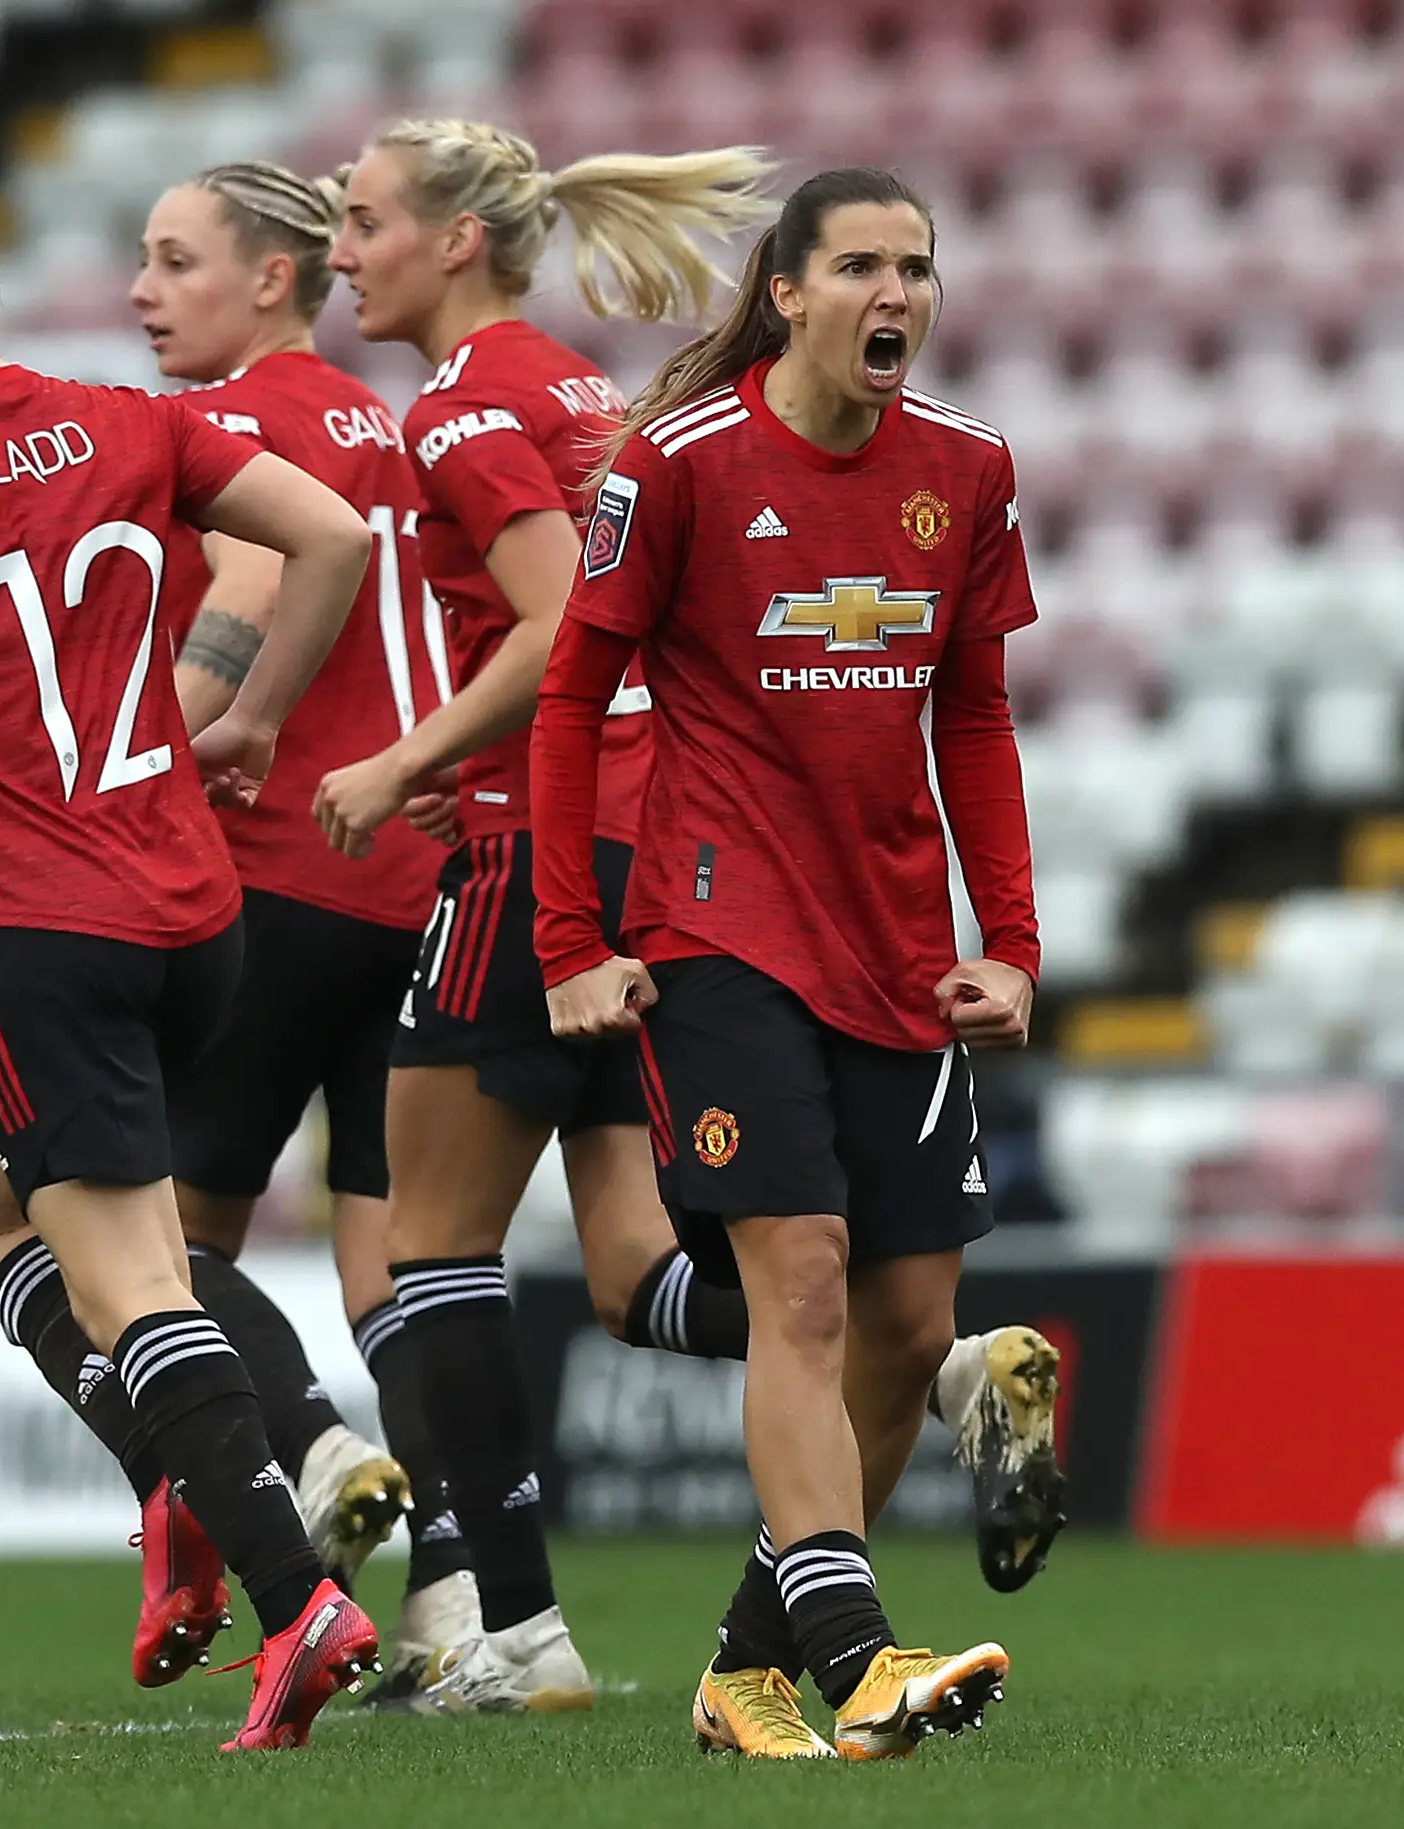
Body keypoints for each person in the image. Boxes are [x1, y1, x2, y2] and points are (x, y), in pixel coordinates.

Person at [0, 100, 376, 1751]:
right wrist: (253, 720)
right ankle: (174, 1476)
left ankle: (293, 1597)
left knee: (126, 1281)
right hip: (194, 913)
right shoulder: (122, 417)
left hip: (39, 922)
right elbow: (332, 534)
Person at [533, 167, 1045, 1760]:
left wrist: (1013, 939)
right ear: (791, 293)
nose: (898, 293)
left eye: (920, 266)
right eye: (864, 267)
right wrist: (576, 940)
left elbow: (972, 712)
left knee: (906, 1328)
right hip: (719, 927)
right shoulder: (676, 466)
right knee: (803, 1287)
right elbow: (571, 702)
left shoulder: (964, 469)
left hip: (896, 947)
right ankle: (859, 1658)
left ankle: (742, 1670)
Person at [0, 158, 449, 1687]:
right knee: (401, 1265)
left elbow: (251, 572)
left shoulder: (236, 420)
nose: (143, 293)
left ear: (270, 278)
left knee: (45, 1228)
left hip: (251, 872)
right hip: (404, 877)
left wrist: (174, 738)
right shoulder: (378, 419)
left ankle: (280, 1462)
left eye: (173, 261)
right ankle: (477, 1599)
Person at [313, 117, 776, 1714]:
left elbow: (557, 618)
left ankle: (518, 1638)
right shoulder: (577, 382)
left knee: (423, 1248)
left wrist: (408, 759)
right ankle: (934, 1368)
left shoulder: (463, 405)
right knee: (633, 1264)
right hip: (653, 844)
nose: (340, 251)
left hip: (544, 862)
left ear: (453, 240)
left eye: (362, 221)